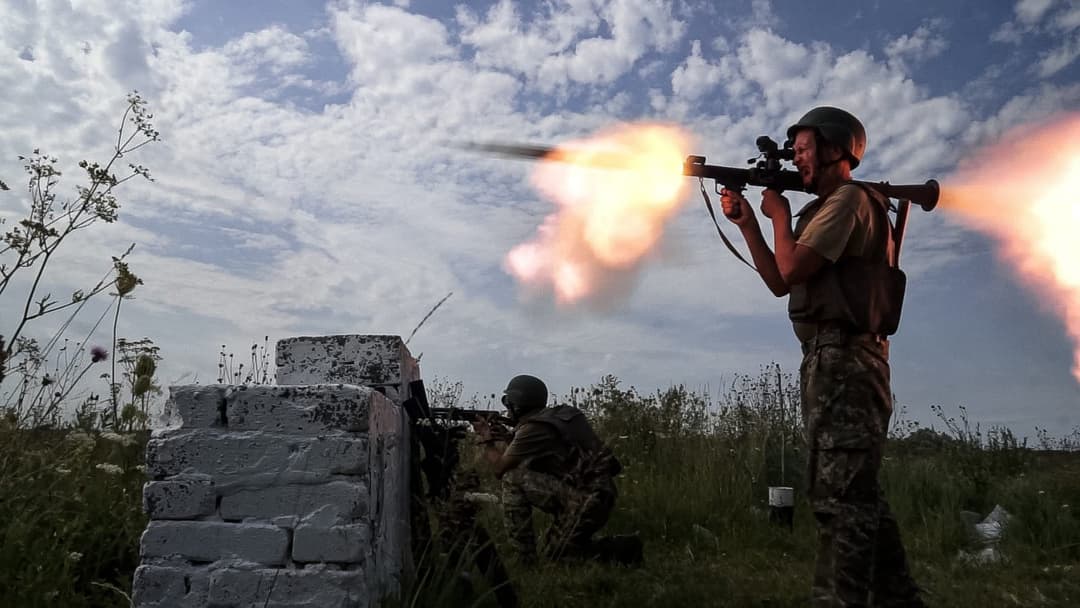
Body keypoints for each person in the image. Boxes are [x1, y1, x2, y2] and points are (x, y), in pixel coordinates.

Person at [720, 106, 926, 607]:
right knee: (858, 496)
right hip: (830, 361)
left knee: (841, 501)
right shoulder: (828, 208)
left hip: (847, 362)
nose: (797, 158)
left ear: (836, 149)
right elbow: (779, 282)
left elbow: (791, 270)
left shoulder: (849, 200)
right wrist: (752, 223)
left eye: (806, 148)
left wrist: (780, 216)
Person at [471, 374, 641, 566]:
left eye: (507, 401)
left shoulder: (532, 428)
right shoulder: (562, 416)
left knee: (512, 478)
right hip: (598, 498)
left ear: (517, 404)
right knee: (557, 557)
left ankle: (524, 559)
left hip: (581, 502)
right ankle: (622, 549)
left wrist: (485, 439)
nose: (506, 408)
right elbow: (549, 452)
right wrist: (510, 438)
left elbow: (500, 469)